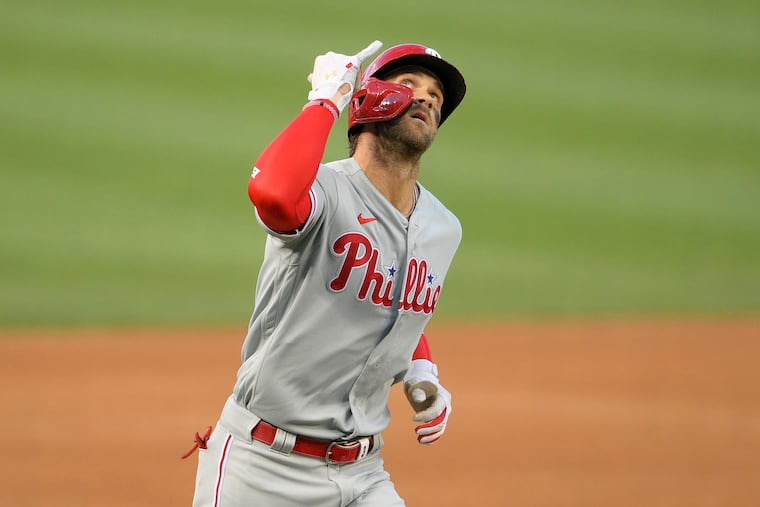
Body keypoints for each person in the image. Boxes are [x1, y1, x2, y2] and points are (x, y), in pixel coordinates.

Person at [187, 40, 467, 506]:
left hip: (364, 473)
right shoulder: (322, 193)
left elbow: (402, 303)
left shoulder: (443, 227)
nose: (427, 98)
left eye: (436, 96)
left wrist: (423, 369)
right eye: (409, 85)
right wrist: (325, 101)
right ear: (367, 98)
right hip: (262, 468)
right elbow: (274, 195)